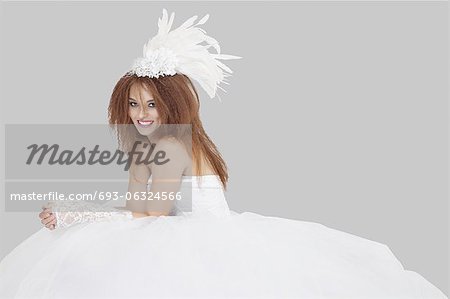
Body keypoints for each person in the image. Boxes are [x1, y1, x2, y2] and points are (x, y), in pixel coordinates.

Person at [0, 9, 447, 299]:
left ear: (174, 104)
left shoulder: (174, 148)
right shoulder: (158, 147)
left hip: (201, 246)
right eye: (133, 104)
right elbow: (140, 209)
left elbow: (149, 218)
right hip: (175, 235)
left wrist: (77, 212)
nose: (141, 114)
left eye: (152, 103)